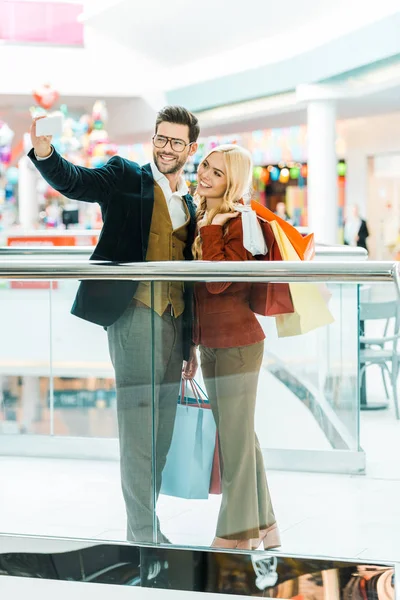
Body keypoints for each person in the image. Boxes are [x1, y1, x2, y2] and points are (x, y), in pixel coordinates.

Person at [29, 105, 200, 544]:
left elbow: (190, 274)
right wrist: (46, 152)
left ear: (190, 148)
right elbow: (77, 182)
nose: (166, 147)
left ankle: (147, 523)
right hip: (134, 314)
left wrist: (190, 343)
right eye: (161, 138)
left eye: (175, 141)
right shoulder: (126, 176)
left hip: (174, 320)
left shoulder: (190, 201)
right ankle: (144, 534)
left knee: (162, 432)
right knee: (138, 427)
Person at [192, 144, 281, 551]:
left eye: (218, 173)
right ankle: (265, 526)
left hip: (239, 344)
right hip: (212, 342)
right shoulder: (204, 216)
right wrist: (191, 344)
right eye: (206, 167)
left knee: (234, 440)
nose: (206, 176)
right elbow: (198, 294)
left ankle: (236, 534)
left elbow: (216, 282)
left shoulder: (241, 222)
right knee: (239, 436)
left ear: (234, 182)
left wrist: (213, 228)